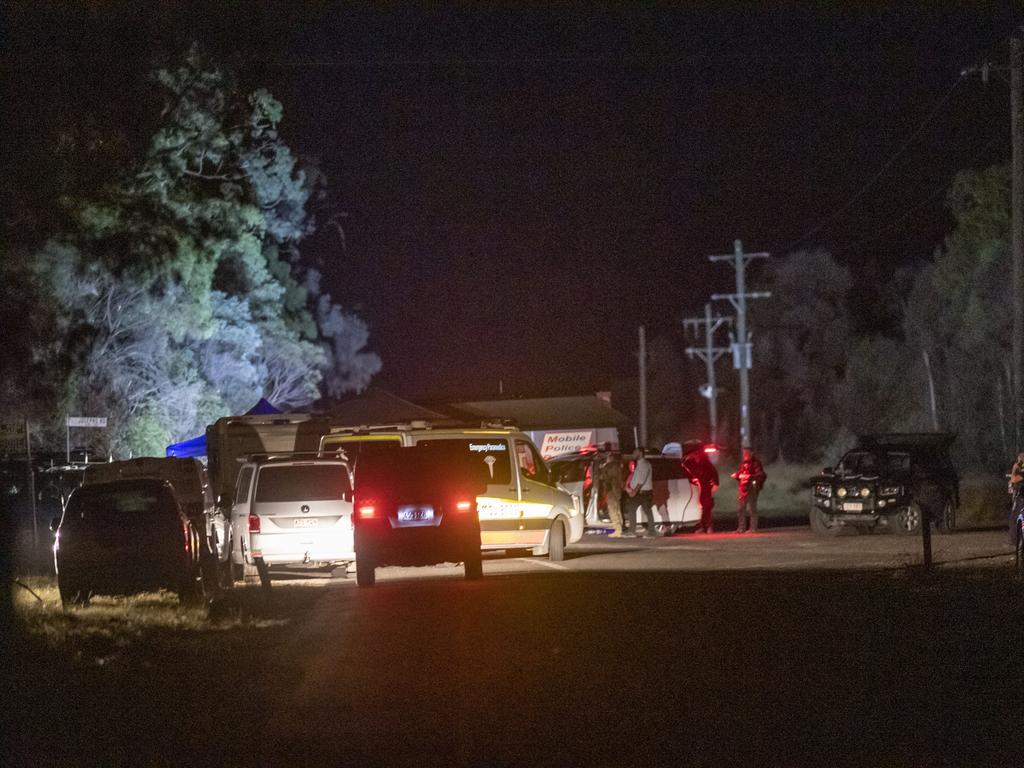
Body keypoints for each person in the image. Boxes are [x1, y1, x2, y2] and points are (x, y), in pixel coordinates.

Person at [683, 446, 719, 534]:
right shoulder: (690, 463)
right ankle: (702, 527)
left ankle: (709, 527)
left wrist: (715, 484)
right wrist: (693, 480)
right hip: (697, 487)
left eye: (697, 454)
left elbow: (714, 473)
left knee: (707, 507)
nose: (695, 455)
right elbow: (685, 469)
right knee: (701, 508)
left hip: (706, 486)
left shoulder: (706, 463)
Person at [624, 447, 658, 538]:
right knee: (632, 510)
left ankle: (652, 532)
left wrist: (634, 491)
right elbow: (635, 478)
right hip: (638, 492)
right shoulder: (639, 464)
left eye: (635, 452)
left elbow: (641, 481)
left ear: (640, 453)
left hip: (644, 492)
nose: (633, 454)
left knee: (647, 511)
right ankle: (631, 531)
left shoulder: (644, 464)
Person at [731, 448, 767, 533]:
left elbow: (761, 475)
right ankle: (741, 528)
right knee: (741, 509)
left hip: (752, 489)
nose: (745, 455)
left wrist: (749, 477)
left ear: (751, 453)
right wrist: (737, 475)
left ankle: (753, 528)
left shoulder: (756, 463)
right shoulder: (743, 464)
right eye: (744, 453)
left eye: (746, 453)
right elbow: (740, 473)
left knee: (752, 508)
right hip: (743, 489)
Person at [598, 446, 625, 537]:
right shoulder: (618, 466)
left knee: (612, 510)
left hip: (611, 490)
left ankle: (617, 529)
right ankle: (620, 527)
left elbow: (604, 478)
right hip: (618, 490)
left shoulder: (608, 466)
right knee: (618, 509)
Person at [1008, 452, 1024, 543]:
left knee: (1014, 518)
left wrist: (1014, 469)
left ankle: (1016, 539)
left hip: (1021, 498)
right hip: (1020, 497)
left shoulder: (1021, 471)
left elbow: (1014, 479)